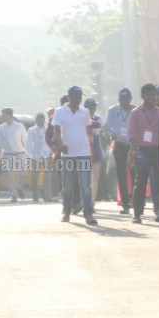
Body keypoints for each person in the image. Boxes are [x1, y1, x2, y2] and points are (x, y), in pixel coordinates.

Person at [53, 86, 98, 225]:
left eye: (80, 97)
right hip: (68, 155)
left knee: (85, 184)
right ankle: (67, 211)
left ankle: (88, 214)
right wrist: (61, 145)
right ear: (69, 96)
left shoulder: (85, 112)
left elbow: (87, 129)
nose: (78, 99)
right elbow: (56, 132)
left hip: (83, 153)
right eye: (76, 96)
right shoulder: (59, 112)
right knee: (67, 185)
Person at [128, 84, 159, 225]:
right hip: (142, 151)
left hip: (157, 150)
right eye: (148, 95)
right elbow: (132, 134)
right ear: (143, 96)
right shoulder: (135, 113)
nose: (151, 98)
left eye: (153, 95)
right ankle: (137, 214)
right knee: (140, 183)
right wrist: (136, 151)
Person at [105, 88, 135, 213]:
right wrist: (110, 135)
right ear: (119, 100)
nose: (124, 103)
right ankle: (125, 204)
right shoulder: (113, 110)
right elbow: (106, 126)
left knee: (135, 173)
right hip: (119, 144)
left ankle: (134, 199)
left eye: (127, 100)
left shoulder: (135, 110)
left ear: (130, 100)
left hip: (132, 145)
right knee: (121, 174)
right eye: (122, 101)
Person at [0, 108, 28, 202]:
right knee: (9, 175)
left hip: (20, 153)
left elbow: (25, 140)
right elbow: (0, 142)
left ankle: (19, 187)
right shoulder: (1, 128)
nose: (2, 117)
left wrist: (27, 153)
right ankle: (13, 195)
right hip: (8, 154)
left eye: (3, 115)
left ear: (9, 115)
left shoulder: (19, 126)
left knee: (23, 173)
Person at [83, 98, 106, 203]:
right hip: (84, 149)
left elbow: (96, 131)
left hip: (95, 149)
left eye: (94, 106)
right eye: (91, 106)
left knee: (95, 176)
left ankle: (92, 200)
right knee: (84, 176)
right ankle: (85, 198)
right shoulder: (81, 117)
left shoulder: (98, 119)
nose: (93, 108)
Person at [25, 112, 50, 202]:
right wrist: (29, 155)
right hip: (35, 156)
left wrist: (50, 154)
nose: (41, 121)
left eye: (42, 119)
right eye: (39, 119)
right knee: (34, 177)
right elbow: (28, 144)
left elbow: (49, 143)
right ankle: (35, 196)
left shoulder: (47, 129)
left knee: (47, 177)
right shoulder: (31, 130)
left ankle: (47, 196)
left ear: (44, 120)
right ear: (36, 120)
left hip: (45, 155)